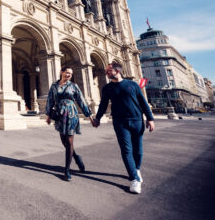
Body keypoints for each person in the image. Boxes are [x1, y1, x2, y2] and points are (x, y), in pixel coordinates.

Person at [93, 63, 155, 194]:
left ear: (117, 71)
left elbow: (143, 102)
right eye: (106, 71)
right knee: (126, 150)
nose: (106, 73)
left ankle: (136, 169)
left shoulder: (132, 84)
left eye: (109, 70)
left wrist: (150, 118)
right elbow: (103, 104)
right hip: (119, 122)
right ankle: (134, 179)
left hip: (137, 120)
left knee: (138, 149)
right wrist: (98, 118)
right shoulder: (107, 88)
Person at [46, 67, 95, 181]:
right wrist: (48, 115)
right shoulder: (54, 86)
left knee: (69, 141)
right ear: (61, 72)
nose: (69, 75)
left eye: (71, 74)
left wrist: (90, 116)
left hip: (71, 114)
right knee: (64, 142)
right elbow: (50, 100)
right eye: (67, 73)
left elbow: (81, 101)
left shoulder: (74, 86)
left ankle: (66, 170)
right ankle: (77, 158)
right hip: (59, 115)